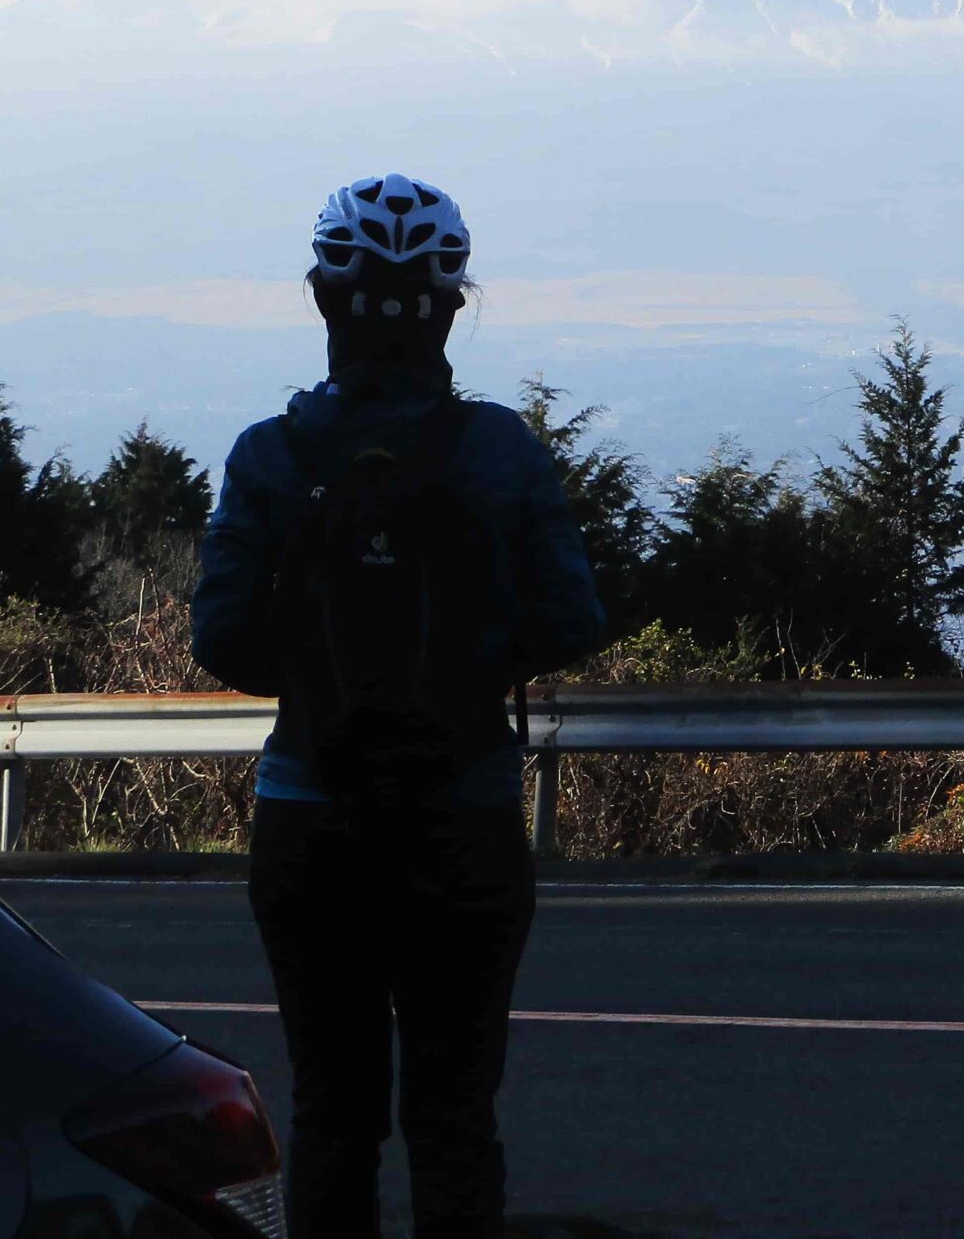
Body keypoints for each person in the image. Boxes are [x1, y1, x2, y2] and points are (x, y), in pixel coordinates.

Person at [191, 173, 607, 1239]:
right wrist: (464, 661)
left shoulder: (271, 456)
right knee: (454, 1117)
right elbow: (572, 619)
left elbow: (223, 642)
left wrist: (334, 672)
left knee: (331, 1114)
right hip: (461, 813)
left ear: (323, 298)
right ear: (451, 300)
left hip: (310, 810)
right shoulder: (499, 451)